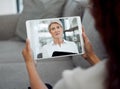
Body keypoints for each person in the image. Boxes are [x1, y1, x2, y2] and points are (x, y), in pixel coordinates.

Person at [22, 0, 120, 89]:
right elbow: (106, 72)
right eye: (53, 28)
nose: (56, 30)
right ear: (50, 33)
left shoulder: (74, 82)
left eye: (58, 27)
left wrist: (30, 64)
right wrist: (91, 56)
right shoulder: (45, 48)